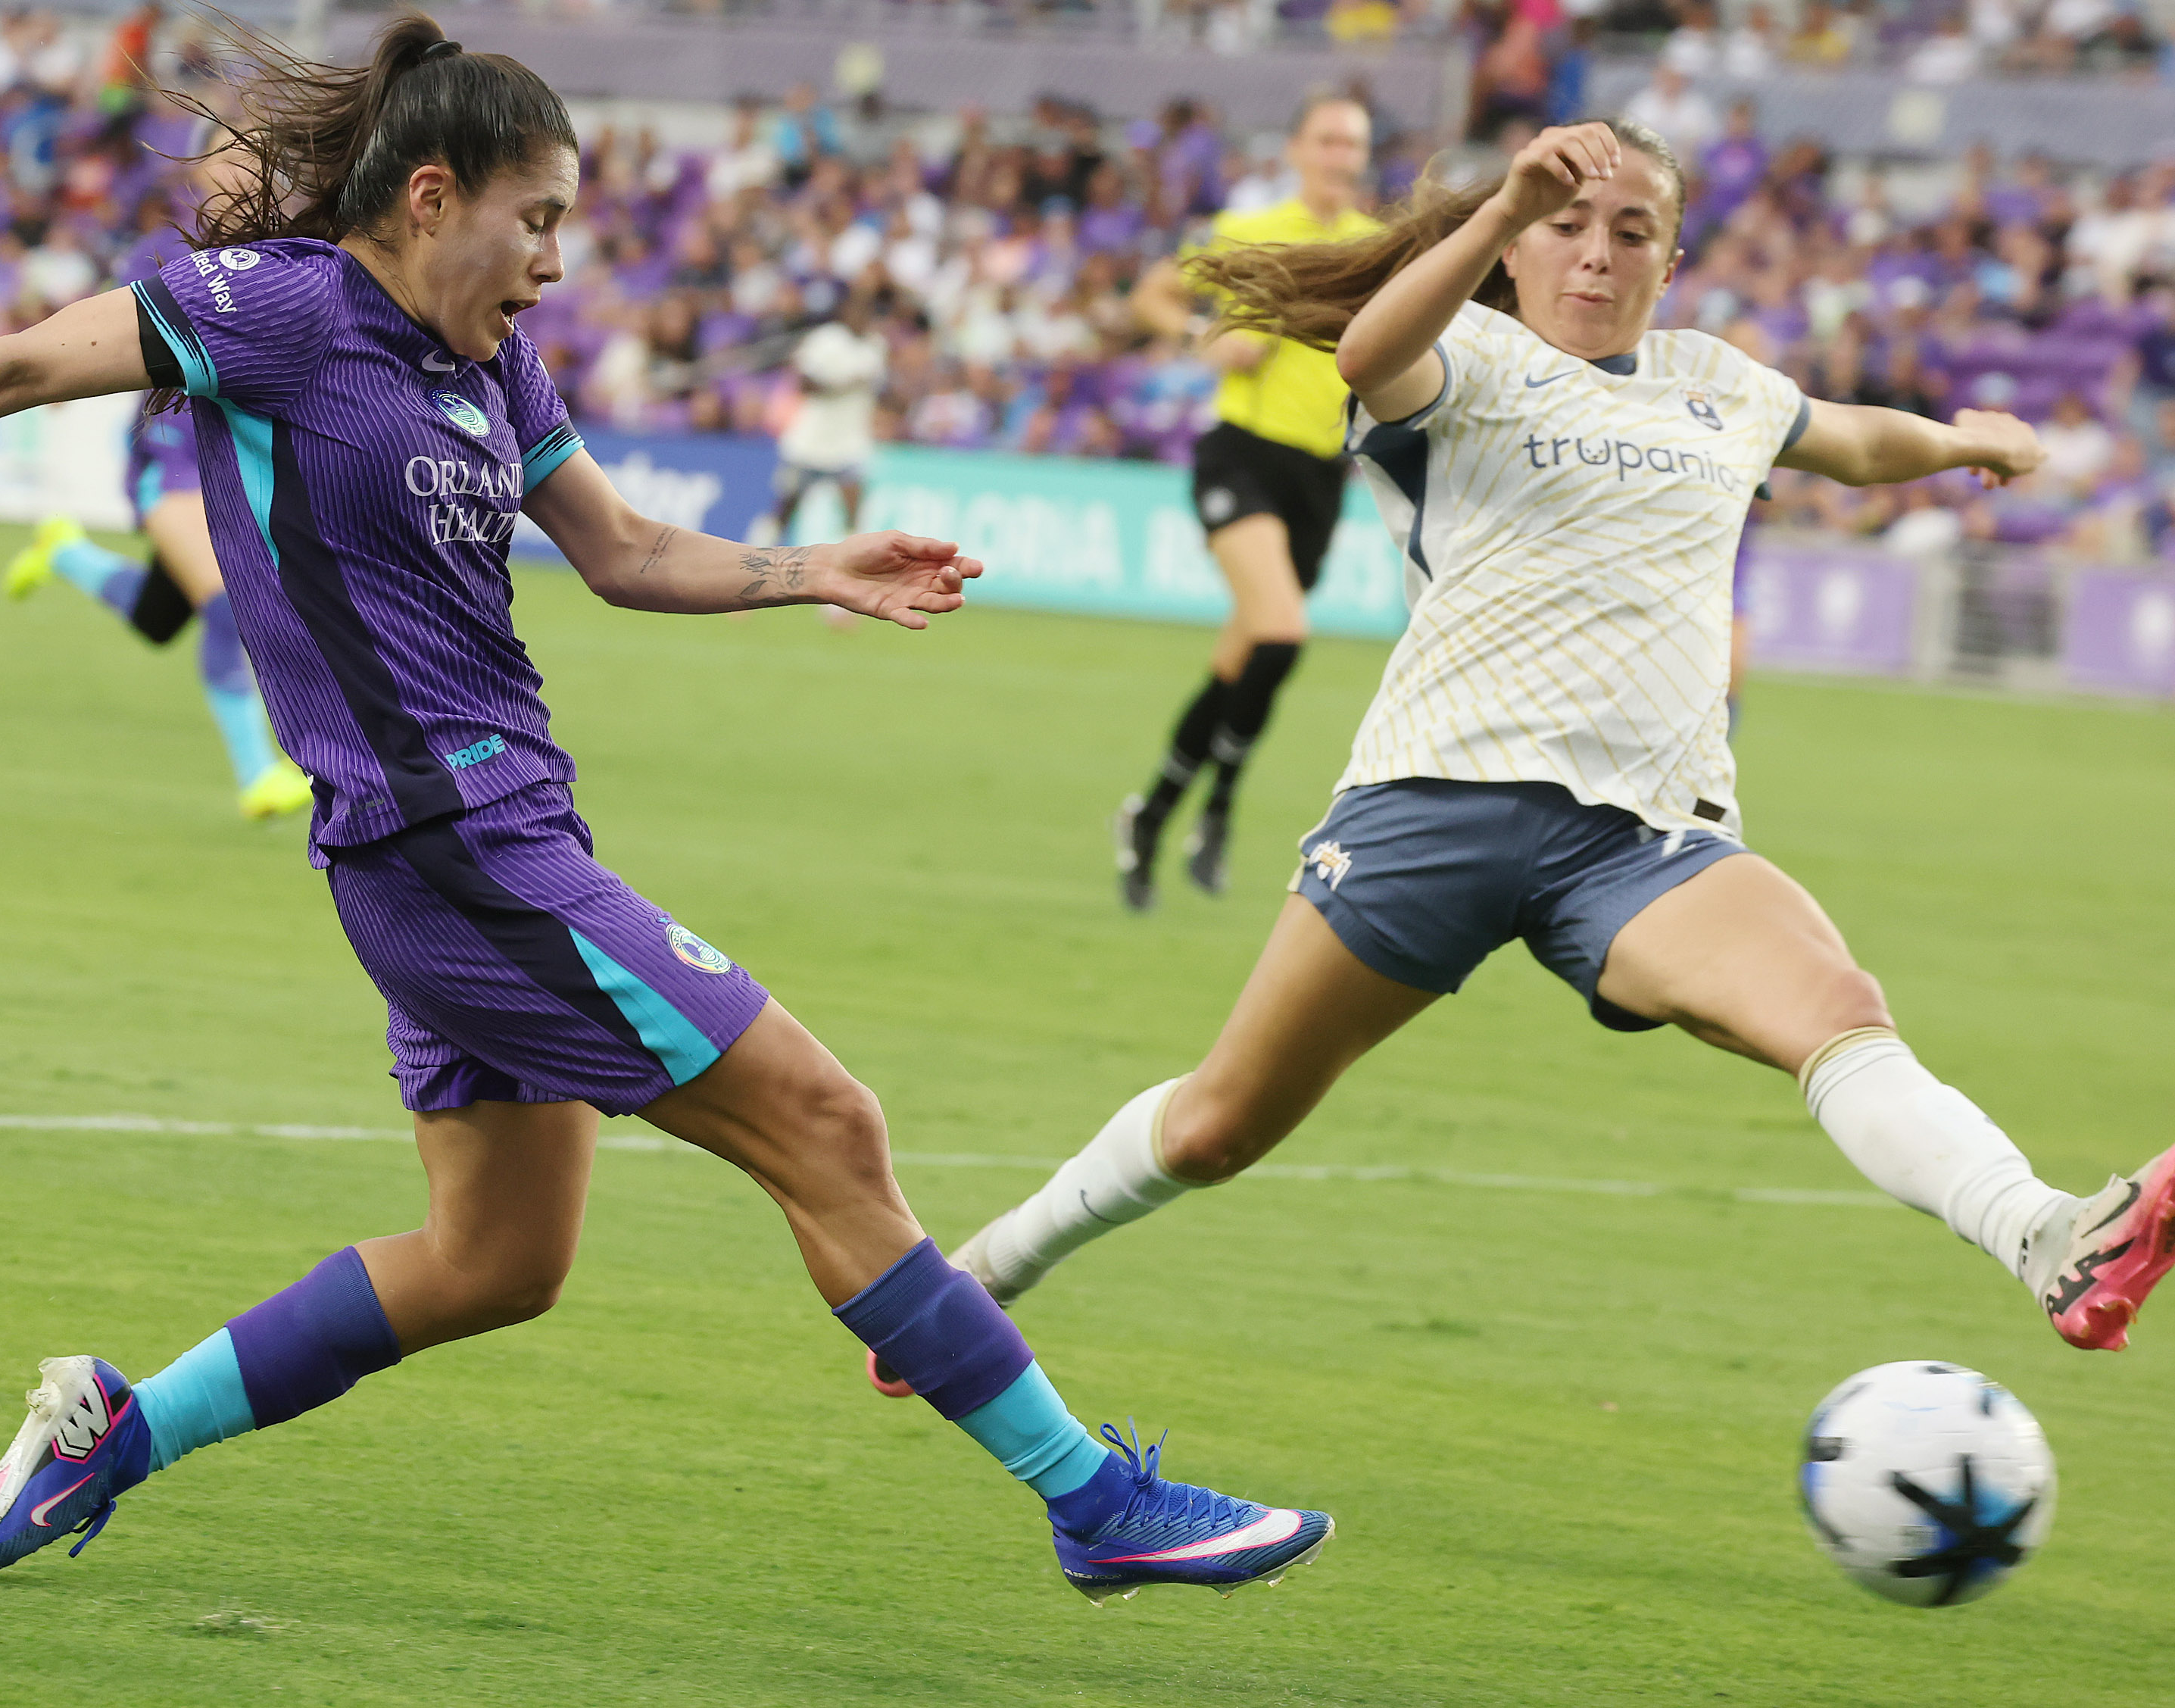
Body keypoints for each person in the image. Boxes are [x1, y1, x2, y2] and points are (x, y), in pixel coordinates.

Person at [0, 23, 1334, 1607]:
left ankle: (119, 1426)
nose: (553, 260)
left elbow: (623, 554)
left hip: (491, 847)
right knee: (825, 1124)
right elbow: (33, 360)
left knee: (496, 1258)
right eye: (535, 220)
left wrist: (804, 566)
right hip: (448, 849)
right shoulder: (278, 312)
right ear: (431, 198)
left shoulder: (497, 367)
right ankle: (1090, 1501)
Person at [919, 122, 2175, 1366]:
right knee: (1213, 1130)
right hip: (1435, 802)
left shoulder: (1720, 383)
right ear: (1514, 251)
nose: (1594, 255)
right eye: (1563, 228)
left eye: (1631, 233)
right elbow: (1365, 349)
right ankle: (987, 1272)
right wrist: (1500, 205)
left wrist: (1967, 442)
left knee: (1836, 1007)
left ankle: (2048, 1234)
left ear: (1668, 263)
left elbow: (1850, 440)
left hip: (1641, 840)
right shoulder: (1467, 353)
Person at [1119, 92, 1381, 909]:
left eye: (1354, 144)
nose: (1340, 154)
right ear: (1299, 148)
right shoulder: (1253, 228)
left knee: (1246, 657)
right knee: (1280, 629)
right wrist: (1209, 335)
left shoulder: (1376, 249)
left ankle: (1154, 813)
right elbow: (1151, 295)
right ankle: (1222, 808)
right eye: (1328, 138)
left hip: (1320, 475)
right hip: (1241, 453)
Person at [2, 172, 316, 822]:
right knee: (228, 606)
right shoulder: (164, 247)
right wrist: (57, 369)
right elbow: (115, 325)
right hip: (171, 456)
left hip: (234, 460)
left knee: (158, 617)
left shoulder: (292, 250)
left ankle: (64, 552)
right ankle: (258, 773)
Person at [772, 290, 888, 629]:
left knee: (853, 519)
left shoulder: (875, 347)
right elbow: (805, 383)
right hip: (808, 444)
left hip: (849, 445)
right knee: (783, 513)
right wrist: (843, 384)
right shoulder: (823, 341)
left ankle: (842, 605)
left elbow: (875, 387)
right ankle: (744, 587)